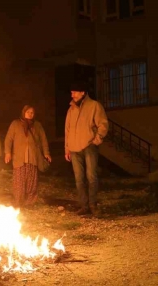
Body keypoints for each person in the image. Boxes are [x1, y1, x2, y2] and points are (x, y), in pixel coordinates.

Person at [64, 81, 109, 216]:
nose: (72, 94)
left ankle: (93, 205)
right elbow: (67, 130)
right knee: (79, 179)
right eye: (72, 92)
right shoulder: (71, 109)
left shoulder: (94, 106)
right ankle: (84, 206)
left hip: (89, 146)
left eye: (75, 92)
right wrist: (67, 148)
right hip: (74, 149)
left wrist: (97, 140)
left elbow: (103, 124)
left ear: (83, 92)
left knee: (91, 177)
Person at [4, 105, 51, 208]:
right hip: (19, 159)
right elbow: (8, 139)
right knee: (19, 183)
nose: (30, 114)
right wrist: (8, 152)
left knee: (32, 182)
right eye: (28, 112)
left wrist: (46, 153)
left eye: (32, 113)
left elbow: (43, 140)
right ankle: (18, 202)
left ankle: (29, 203)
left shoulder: (37, 125)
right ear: (23, 112)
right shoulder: (16, 124)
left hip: (33, 158)